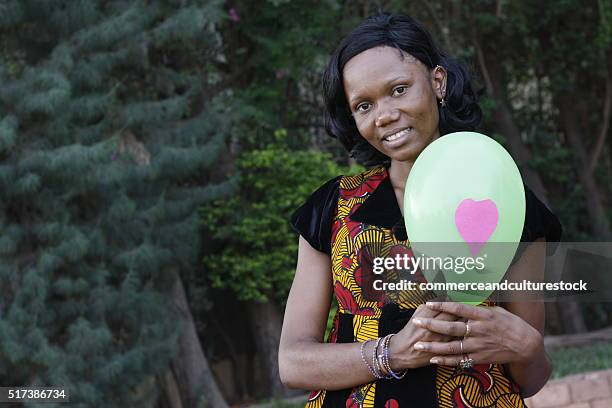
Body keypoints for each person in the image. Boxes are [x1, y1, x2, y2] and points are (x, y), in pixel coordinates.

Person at [278, 13, 562, 408]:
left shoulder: (507, 200)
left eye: (398, 89)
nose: (384, 115)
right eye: (363, 105)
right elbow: (292, 362)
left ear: (437, 81)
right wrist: (392, 352)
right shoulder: (334, 207)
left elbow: (530, 378)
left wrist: (528, 345)